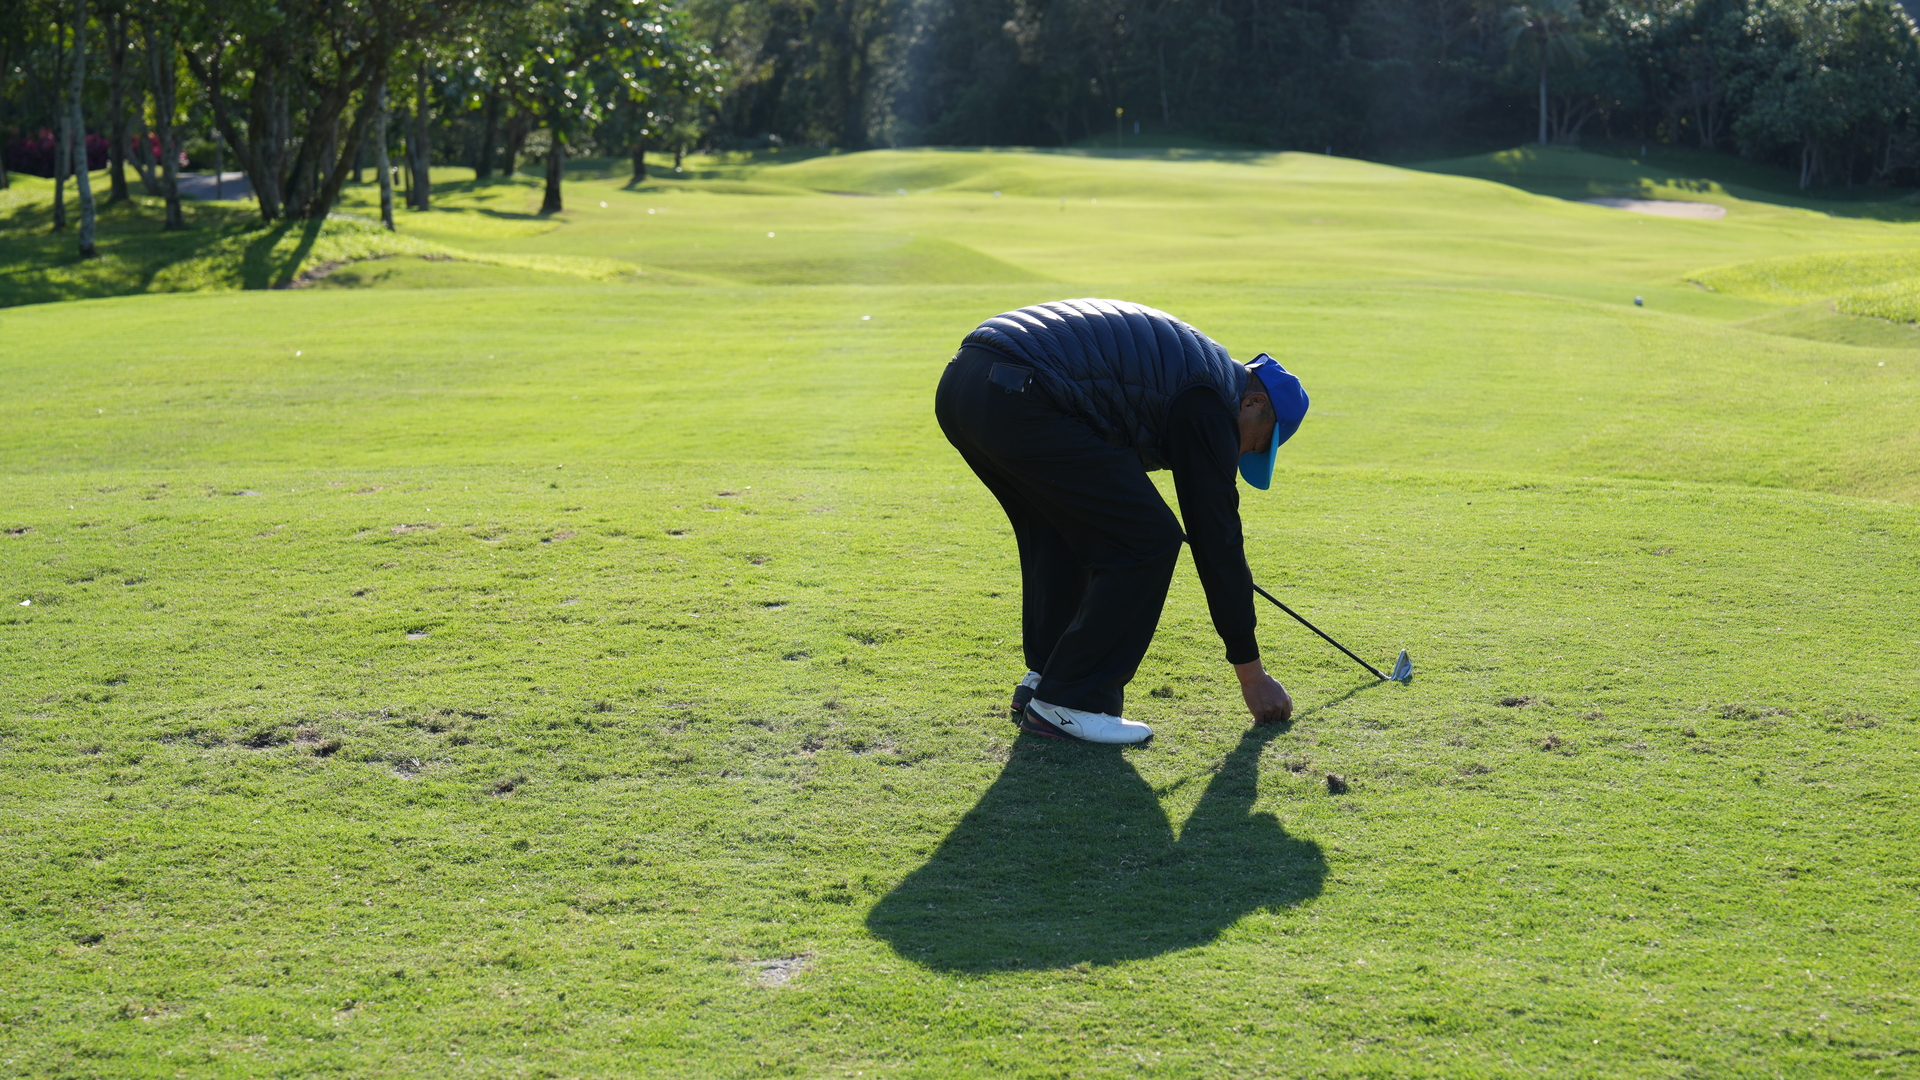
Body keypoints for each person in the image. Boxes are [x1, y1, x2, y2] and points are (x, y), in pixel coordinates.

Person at [935, 298, 1309, 744]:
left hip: (965, 384)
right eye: (1259, 444)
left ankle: (1049, 677)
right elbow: (1217, 538)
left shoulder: (1200, 378)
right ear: (1253, 402)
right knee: (1148, 541)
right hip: (1021, 392)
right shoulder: (1209, 402)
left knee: (1061, 532)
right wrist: (1252, 674)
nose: (1244, 453)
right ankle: (1073, 700)